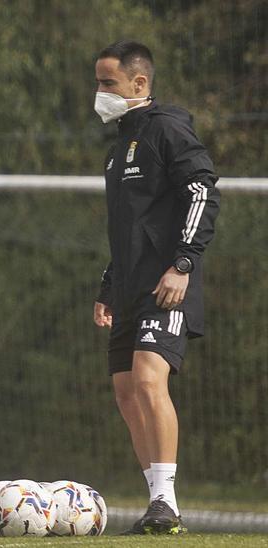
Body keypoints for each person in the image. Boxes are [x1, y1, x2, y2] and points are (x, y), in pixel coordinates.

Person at [91, 40, 219, 536]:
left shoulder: (168, 129)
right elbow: (128, 227)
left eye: (108, 84)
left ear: (138, 84)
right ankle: (156, 505)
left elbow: (202, 190)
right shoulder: (117, 149)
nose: (99, 93)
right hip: (128, 287)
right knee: (125, 390)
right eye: (98, 83)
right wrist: (107, 285)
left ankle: (167, 502)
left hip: (168, 284)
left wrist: (183, 263)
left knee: (148, 377)